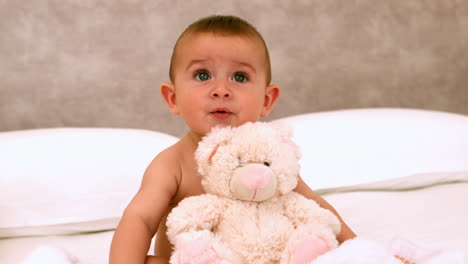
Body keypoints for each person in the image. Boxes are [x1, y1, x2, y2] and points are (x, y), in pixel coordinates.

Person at [109, 15, 356, 264]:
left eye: (239, 77)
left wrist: (359, 251)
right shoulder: (172, 163)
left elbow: (314, 206)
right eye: (203, 75)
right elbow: (139, 218)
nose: (221, 89)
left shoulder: (270, 158)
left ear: (267, 100)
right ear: (173, 98)